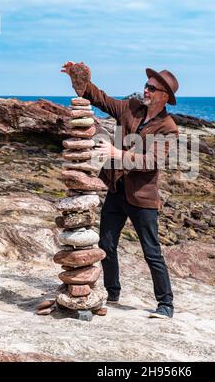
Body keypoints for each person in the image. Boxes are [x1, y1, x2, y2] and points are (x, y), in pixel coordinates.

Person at [61, 62, 179, 319]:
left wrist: (117, 153)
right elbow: (100, 99)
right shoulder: (131, 108)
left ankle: (166, 305)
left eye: (152, 88)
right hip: (116, 191)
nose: (145, 90)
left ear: (164, 96)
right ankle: (112, 292)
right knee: (106, 244)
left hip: (142, 199)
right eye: (146, 85)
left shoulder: (168, 127)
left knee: (151, 252)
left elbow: (152, 162)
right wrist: (80, 80)